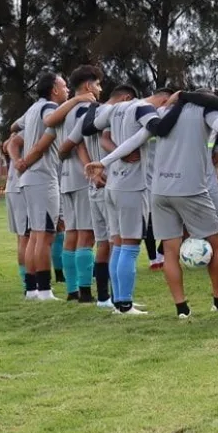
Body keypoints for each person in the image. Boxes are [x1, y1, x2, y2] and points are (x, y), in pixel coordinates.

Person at [90, 92, 218, 317]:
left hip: (160, 191)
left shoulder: (162, 112)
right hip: (191, 190)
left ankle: (181, 308)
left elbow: (136, 139)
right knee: (216, 243)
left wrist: (103, 162)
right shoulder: (206, 110)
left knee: (170, 251)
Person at [8, 72, 94, 301]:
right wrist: (76, 100)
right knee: (44, 236)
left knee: (35, 236)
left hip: (30, 180)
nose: (67, 91)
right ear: (54, 90)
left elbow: (13, 127)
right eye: (64, 87)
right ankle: (44, 290)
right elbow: (47, 130)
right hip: (42, 177)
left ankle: (32, 289)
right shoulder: (47, 108)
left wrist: (21, 159)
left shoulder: (32, 108)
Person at [94, 87, 176, 314]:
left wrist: (117, 152)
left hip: (113, 184)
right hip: (132, 186)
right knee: (129, 248)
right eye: (167, 105)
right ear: (164, 99)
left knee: (118, 245)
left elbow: (101, 131)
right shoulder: (144, 108)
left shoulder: (117, 107)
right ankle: (125, 305)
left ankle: (119, 301)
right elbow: (157, 128)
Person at [78, 84, 139, 308]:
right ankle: (119, 299)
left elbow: (77, 142)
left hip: (97, 183)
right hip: (111, 181)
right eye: (97, 83)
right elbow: (99, 138)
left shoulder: (90, 113)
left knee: (105, 243)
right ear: (126, 97)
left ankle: (107, 298)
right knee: (117, 243)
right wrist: (122, 152)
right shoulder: (113, 113)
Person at [56, 66, 103, 302]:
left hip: (66, 178)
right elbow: (78, 143)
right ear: (88, 86)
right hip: (82, 176)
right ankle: (85, 291)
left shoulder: (66, 111)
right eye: (97, 84)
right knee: (87, 234)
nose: (100, 89)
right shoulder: (87, 109)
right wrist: (91, 169)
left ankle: (72, 290)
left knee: (72, 233)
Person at [2, 138, 29, 295]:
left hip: (13, 187)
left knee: (22, 238)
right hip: (20, 189)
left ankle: (28, 281)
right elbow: (7, 145)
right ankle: (29, 283)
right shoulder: (25, 132)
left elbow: (6, 146)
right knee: (26, 237)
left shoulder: (15, 137)